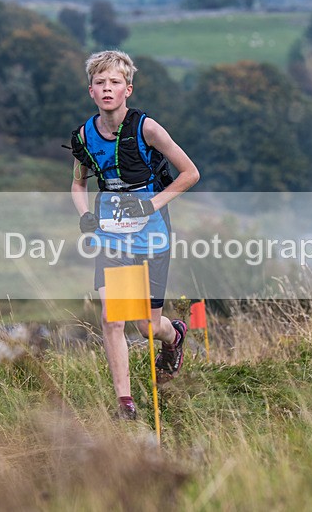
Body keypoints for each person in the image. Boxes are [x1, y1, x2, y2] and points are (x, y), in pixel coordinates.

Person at [69, 50, 200, 420]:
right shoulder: (84, 135)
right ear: (91, 91)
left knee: (145, 326)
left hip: (152, 233)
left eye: (114, 83)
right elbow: (78, 185)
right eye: (100, 83)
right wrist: (86, 218)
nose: (107, 88)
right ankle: (125, 404)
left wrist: (149, 206)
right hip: (112, 235)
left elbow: (190, 173)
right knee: (113, 317)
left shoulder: (147, 128)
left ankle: (173, 335)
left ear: (128, 89)